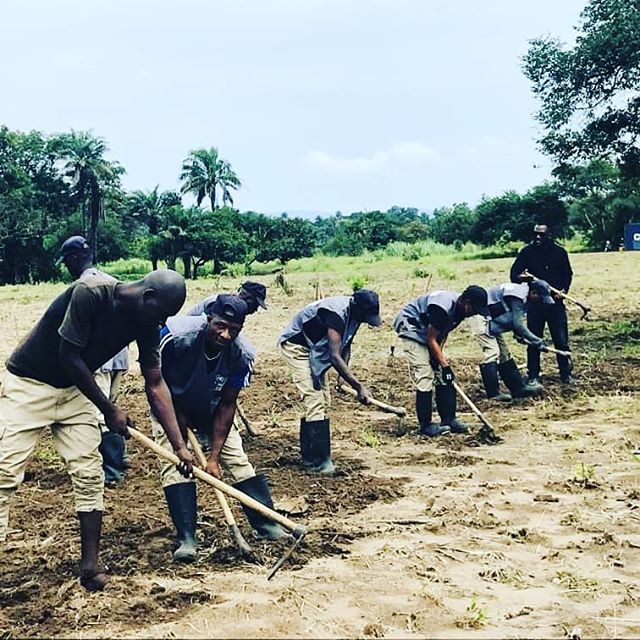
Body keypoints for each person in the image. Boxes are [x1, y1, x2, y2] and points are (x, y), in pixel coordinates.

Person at [0, 270, 195, 591]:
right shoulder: (89, 292)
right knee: (6, 470)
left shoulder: (147, 320)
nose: (162, 324)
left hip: (75, 392)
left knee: (90, 474)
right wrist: (110, 409)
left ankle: (90, 566)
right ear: (148, 297)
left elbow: (155, 381)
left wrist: (179, 446)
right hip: (30, 384)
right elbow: (69, 356)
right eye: (162, 315)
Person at [152, 294, 285, 563]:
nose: (225, 335)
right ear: (208, 319)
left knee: (237, 460)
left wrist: (213, 458)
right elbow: (156, 382)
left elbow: (227, 405)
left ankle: (267, 523)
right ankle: (187, 537)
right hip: (169, 404)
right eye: (220, 326)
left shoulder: (242, 354)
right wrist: (180, 442)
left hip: (211, 409)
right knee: (177, 465)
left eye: (233, 330)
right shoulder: (174, 335)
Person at [278, 289, 381, 474]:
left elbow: (345, 345)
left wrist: (343, 378)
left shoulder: (355, 315)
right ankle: (319, 461)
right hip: (297, 347)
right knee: (314, 399)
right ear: (357, 307)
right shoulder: (335, 314)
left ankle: (310, 456)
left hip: (316, 349)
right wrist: (358, 386)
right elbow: (334, 356)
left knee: (324, 401)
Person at [57, 235, 130, 486]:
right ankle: (118, 459)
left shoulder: (84, 287)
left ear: (75, 258)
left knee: (101, 412)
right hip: (119, 358)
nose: (66, 266)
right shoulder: (110, 281)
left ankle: (112, 470)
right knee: (110, 405)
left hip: (100, 361)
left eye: (67, 261)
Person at [394, 286, 488, 437]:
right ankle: (425, 425)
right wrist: (445, 365)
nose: (474, 313)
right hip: (411, 327)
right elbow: (431, 338)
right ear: (466, 302)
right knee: (425, 374)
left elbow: (442, 335)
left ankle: (449, 419)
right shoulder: (442, 309)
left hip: (428, 331)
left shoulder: (460, 312)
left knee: (443, 375)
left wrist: (439, 360)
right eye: (474, 309)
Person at [510, 223, 574, 384]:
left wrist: (564, 291)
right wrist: (527, 279)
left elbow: (568, 274)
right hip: (535, 304)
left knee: (561, 340)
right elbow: (514, 275)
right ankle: (533, 376)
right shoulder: (527, 252)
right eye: (536, 234)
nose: (538, 237)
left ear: (549, 235)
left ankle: (566, 375)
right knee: (534, 340)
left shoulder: (559, 252)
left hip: (555, 304)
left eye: (542, 234)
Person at [468, 281, 553, 401]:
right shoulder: (518, 296)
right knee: (492, 352)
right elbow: (518, 325)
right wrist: (537, 341)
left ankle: (518, 388)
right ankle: (493, 394)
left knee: (504, 354)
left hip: (492, 320)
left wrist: (522, 336)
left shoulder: (524, 296)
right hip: (480, 318)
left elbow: (513, 320)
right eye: (540, 297)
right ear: (533, 292)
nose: (540, 301)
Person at [187, 280, 267, 317]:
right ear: (246, 297)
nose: (256, 310)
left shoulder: (235, 308)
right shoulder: (220, 303)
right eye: (255, 304)